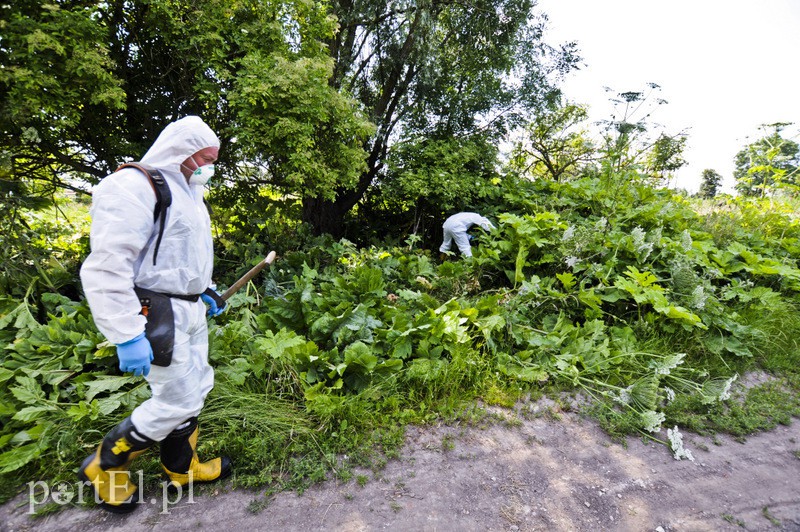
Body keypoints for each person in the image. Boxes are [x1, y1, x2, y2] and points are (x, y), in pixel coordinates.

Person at [78, 116, 230, 513]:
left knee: (195, 389)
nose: (207, 167)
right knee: (174, 400)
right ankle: (105, 465)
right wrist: (127, 333)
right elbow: (108, 265)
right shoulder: (134, 185)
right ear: (181, 150)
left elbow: (179, 257)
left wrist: (205, 290)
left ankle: (181, 468)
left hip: (189, 309)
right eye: (203, 158)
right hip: (156, 312)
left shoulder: (190, 195)